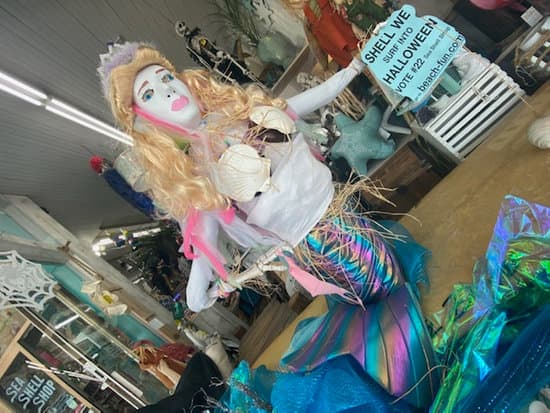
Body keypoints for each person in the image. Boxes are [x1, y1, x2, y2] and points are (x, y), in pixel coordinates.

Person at [97, 42, 403, 312]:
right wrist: (199, 294)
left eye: (166, 78)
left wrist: (354, 68)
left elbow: (305, 101)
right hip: (316, 243)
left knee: (390, 274)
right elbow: (203, 249)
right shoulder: (196, 177)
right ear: (146, 121)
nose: (167, 90)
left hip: (341, 209)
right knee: (380, 288)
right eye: (149, 94)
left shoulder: (239, 114)